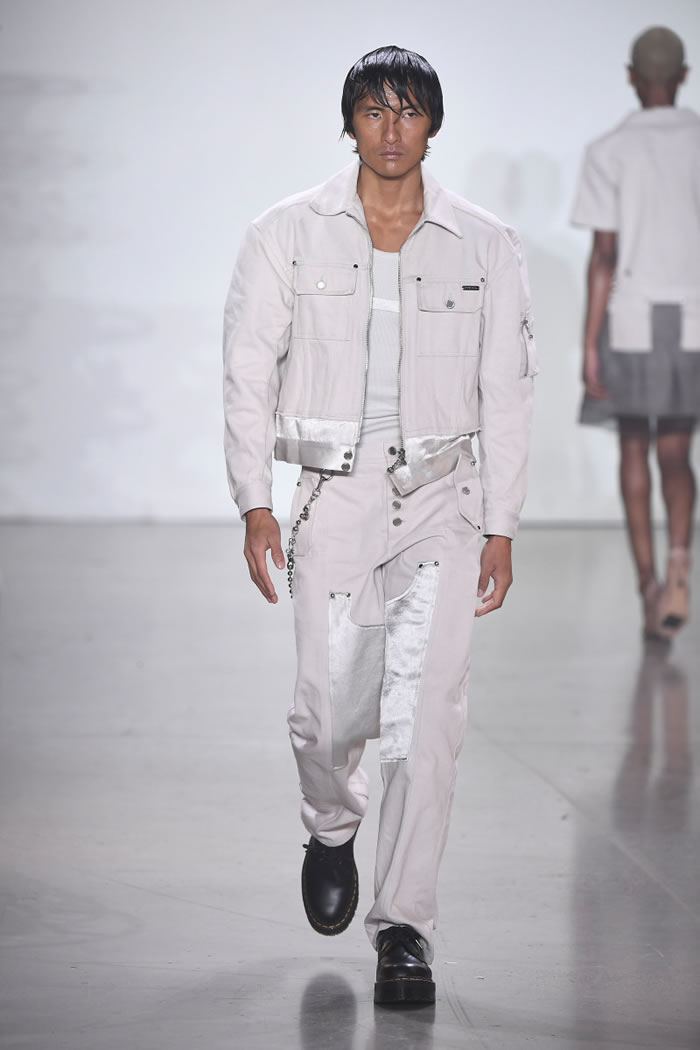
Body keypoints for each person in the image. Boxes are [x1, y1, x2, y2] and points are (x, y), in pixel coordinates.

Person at [223, 45, 536, 1005]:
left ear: (433, 124)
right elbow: (246, 373)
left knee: (424, 718)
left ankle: (404, 927)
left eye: (408, 110)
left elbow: (508, 390)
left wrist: (502, 522)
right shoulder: (285, 234)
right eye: (373, 109)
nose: (391, 129)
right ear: (349, 121)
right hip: (335, 496)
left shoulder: (486, 244)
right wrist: (255, 500)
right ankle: (331, 824)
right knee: (325, 710)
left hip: (444, 499)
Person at [571, 26, 699, 641]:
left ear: (630, 77)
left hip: (631, 320)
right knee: (676, 452)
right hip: (694, 318)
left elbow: (603, 255)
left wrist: (588, 343)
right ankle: (679, 566)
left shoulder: (609, 150)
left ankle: (648, 589)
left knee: (632, 449)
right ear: (684, 76)